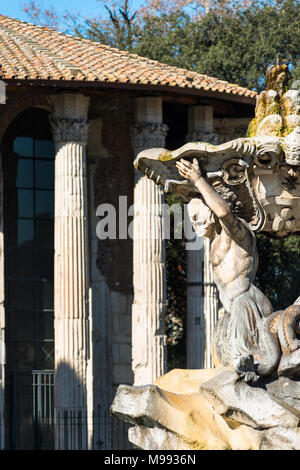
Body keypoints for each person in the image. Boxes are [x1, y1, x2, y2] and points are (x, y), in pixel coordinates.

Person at [176, 158, 279, 382]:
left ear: (211, 210)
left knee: (245, 366)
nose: (195, 223)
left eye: (197, 216)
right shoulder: (215, 241)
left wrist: (198, 180)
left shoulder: (239, 232)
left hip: (247, 304)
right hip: (232, 309)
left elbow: (223, 212)